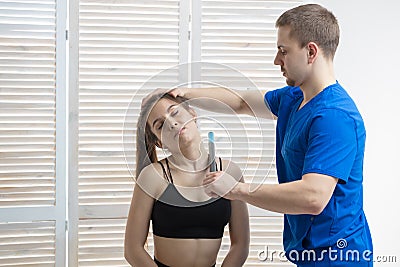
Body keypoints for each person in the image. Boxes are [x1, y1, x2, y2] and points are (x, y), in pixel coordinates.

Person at [167, 3, 373, 267]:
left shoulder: (335, 117)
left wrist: (238, 190)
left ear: (311, 51)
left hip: (339, 257)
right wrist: (183, 95)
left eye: (283, 51)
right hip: (311, 254)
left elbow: (313, 197)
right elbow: (241, 102)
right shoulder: (293, 98)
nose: (277, 60)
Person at [124, 93, 250, 267]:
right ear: (160, 142)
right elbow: (133, 250)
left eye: (174, 113)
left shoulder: (231, 172)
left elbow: (241, 245)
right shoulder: (152, 177)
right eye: (160, 125)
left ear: (192, 114)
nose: (172, 123)